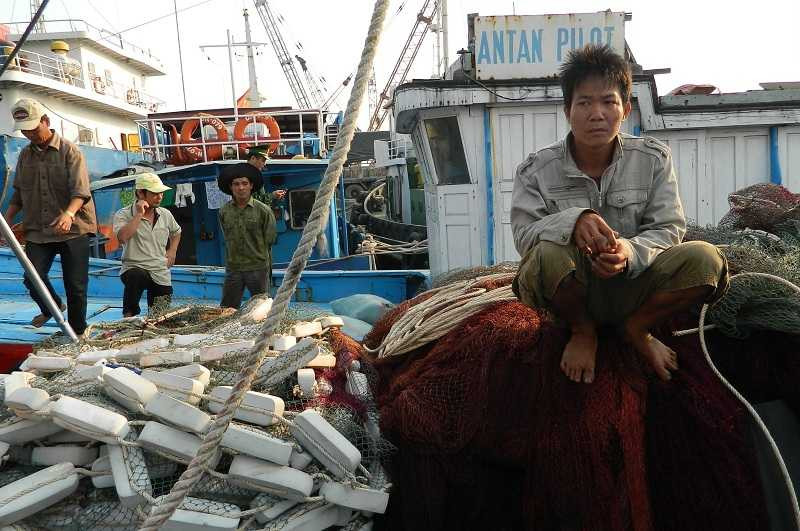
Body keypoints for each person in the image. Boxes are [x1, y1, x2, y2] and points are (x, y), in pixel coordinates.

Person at [511, 45, 728, 384]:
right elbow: (525, 236)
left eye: (608, 102)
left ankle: (638, 328)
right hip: (571, 294)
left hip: (634, 287)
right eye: (584, 102)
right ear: (567, 110)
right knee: (545, 255)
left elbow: (669, 227)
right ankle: (584, 333)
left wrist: (628, 252)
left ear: (625, 109)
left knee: (707, 259)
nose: (596, 113)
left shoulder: (654, 158)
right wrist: (574, 221)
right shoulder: (535, 170)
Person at [3, 98, 97, 335]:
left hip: (74, 228)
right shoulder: (25, 156)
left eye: (34, 129)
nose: (30, 134)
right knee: (32, 276)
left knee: (75, 285)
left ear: (46, 121)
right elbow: (18, 195)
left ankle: (77, 331)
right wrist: (5, 221)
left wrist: (68, 214)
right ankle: (52, 307)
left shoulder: (70, 151)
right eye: (25, 131)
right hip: (39, 228)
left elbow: (81, 192)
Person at [112, 173, 181, 317]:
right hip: (134, 267)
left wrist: (172, 250)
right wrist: (138, 215)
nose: (159, 197)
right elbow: (123, 238)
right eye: (155, 193)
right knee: (136, 276)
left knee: (160, 316)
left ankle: (153, 322)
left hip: (160, 270)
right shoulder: (123, 214)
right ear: (140, 193)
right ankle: (129, 316)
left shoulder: (165, 214)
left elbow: (176, 232)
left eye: (161, 193)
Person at [218, 162, 277, 309]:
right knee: (228, 309)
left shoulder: (264, 211)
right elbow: (226, 235)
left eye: (244, 183)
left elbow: (270, 239)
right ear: (231, 187)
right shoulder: (224, 211)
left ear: (251, 185)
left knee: (261, 308)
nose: (241, 188)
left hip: (258, 268)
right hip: (233, 268)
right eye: (236, 184)